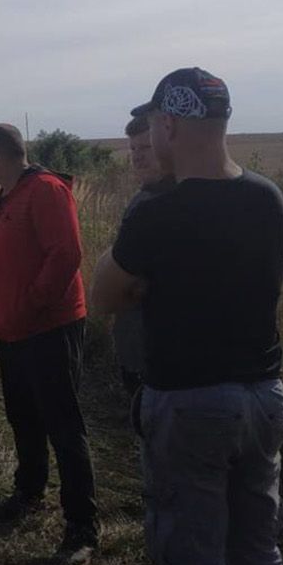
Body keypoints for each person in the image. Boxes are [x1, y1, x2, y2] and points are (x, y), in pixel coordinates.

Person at [91, 68, 283, 565]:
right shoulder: (268, 197)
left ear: (168, 125)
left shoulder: (159, 212)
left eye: (151, 127)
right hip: (264, 397)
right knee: (260, 556)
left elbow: (104, 295)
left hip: (190, 405)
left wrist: (139, 278)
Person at [0, 122, 98, 565]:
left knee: (63, 426)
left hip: (48, 329)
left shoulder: (45, 190)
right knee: (23, 418)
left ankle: (82, 526)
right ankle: (28, 493)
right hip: (13, 331)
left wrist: (29, 306)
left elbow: (66, 254)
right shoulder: (6, 196)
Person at [114, 114, 176, 406]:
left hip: (160, 357)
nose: (137, 157)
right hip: (136, 345)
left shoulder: (171, 199)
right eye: (133, 150)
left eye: (145, 148)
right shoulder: (144, 197)